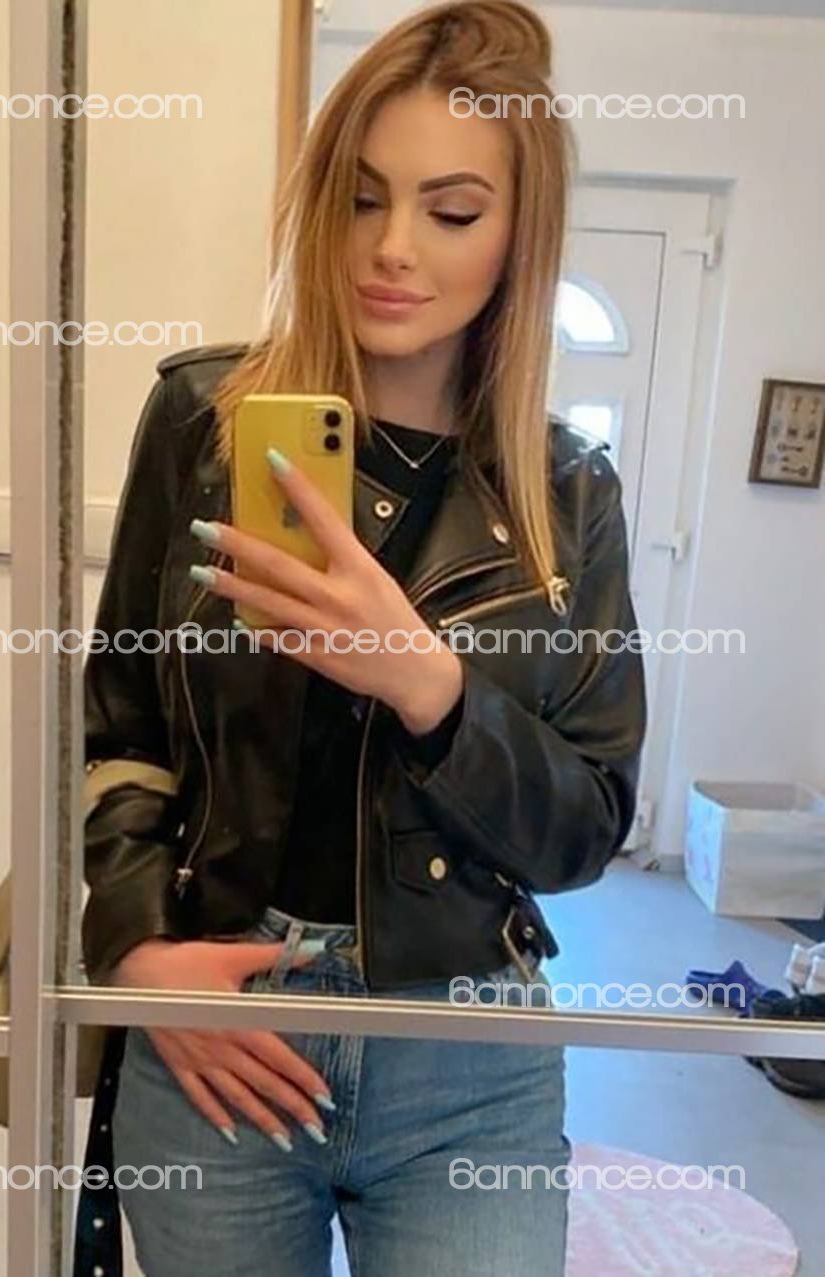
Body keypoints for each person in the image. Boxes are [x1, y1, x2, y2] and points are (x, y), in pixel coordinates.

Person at [76, 3, 647, 1274]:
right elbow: (118, 726)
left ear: (518, 234)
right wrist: (136, 949)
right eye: (360, 198)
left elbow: (587, 825)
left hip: (466, 1056)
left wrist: (433, 689)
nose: (392, 249)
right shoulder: (202, 423)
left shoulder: (567, 496)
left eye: (452, 211)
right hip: (223, 1022)